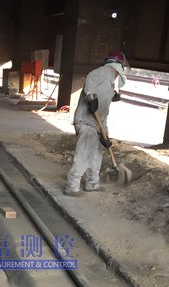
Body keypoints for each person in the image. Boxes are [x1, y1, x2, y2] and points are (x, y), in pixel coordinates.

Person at [64, 51, 128, 197]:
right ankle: (71, 187)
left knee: (96, 156)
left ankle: (92, 184)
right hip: (86, 122)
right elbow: (90, 82)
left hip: (97, 125)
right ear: (117, 66)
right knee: (84, 155)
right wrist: (91, 97)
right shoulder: (101, 72)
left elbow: (103, 115)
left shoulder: (110, 85)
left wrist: (105, 135)